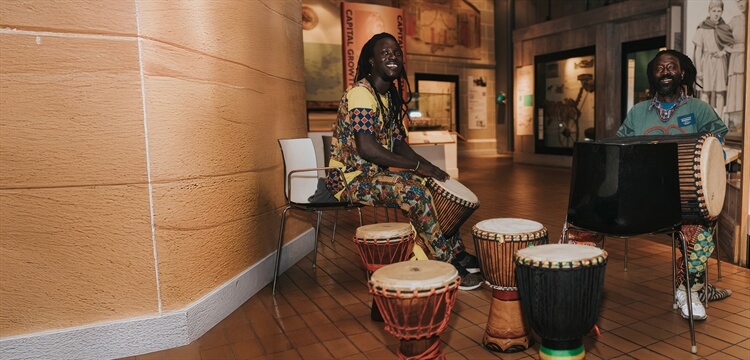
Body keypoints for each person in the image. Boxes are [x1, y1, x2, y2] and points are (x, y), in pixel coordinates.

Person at [324, 33, 483, 291]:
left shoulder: (388, 99)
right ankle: (446, 262)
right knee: (415, 192)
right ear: (371, 61)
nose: (393, 57)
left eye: (397, 53)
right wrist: (418, 168)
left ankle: (455, 251)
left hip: (371, 176)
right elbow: (368, 148)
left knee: (431, 184)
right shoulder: (361, 94)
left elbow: (398, 143)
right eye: (385, 53)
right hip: (349, 180)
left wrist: (428, 168)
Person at [617, 49, 732, 320]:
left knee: (702, 228)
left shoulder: (698, 109)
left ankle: (689, 290)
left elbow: (717, 140)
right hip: (646, 200)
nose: (665, 71)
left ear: (682, 73)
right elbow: (621, 147)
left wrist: (714, 157)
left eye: (671, 67)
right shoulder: (637, 113)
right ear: (652, 77)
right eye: (659, 68)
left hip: (687, 198)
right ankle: (699, 287)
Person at [692, 0, 734, 121]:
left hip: (720, 63)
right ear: (709, 11)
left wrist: (723, 52)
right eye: (714, 11)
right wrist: (699, 70)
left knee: (720, 92)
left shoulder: (725, 28)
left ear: (722, 12)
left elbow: (730, 45)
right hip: (707, 63)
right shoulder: (702, 28)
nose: (716, 13)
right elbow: (698, 50)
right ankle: (705, 120)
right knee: (705, 92)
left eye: (719, 11)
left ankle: (719, 121)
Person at [726, 0, 746, 132]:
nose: (741, 4)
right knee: (736, 89)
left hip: (746, 56)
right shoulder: (734, 20)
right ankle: (737, 123)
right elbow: (723, 36)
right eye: (738, 1)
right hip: (736, 57)